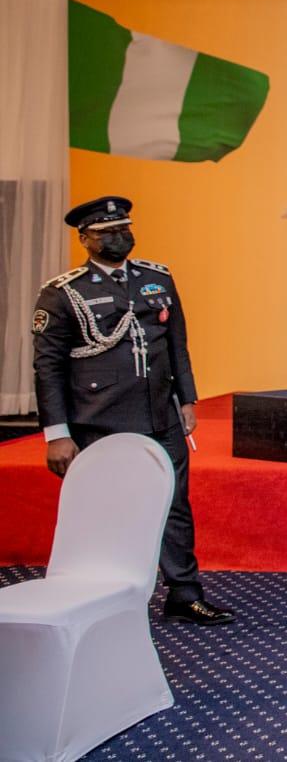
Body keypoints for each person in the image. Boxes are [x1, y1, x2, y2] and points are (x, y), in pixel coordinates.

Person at [32, 196, 233, 626]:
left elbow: (176, 344)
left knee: (174, 505)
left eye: (123, 228)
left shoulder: (156, 278)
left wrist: (187, 400)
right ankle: (101, 597)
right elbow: (47, 367)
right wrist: (56, 433)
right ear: (85, 239)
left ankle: (184, 593)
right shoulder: (63, 293)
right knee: (106, 509)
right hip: (98, 419)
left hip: (160, 414)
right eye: (106, 233)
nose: (118, 237)